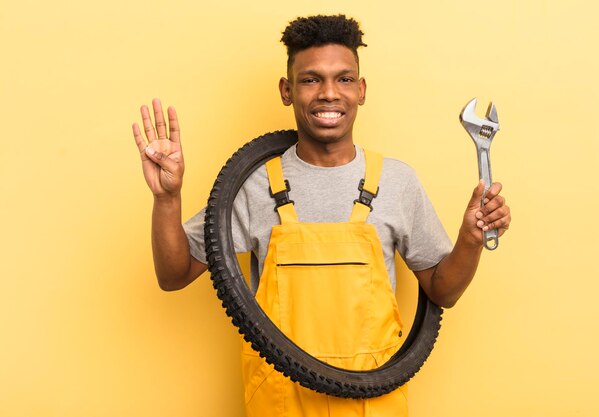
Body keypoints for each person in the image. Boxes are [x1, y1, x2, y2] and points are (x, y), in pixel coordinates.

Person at [132, 14, 511, 417]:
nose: (329, 93)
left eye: (344, 79)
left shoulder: (397, 181)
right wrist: (167, 199)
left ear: (361, 90)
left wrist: (470, 242)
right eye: (311, 79)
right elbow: (173, 275)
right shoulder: (252, 185)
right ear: (287, 90)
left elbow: (443, 290)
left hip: (373, 401)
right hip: (280, 402)